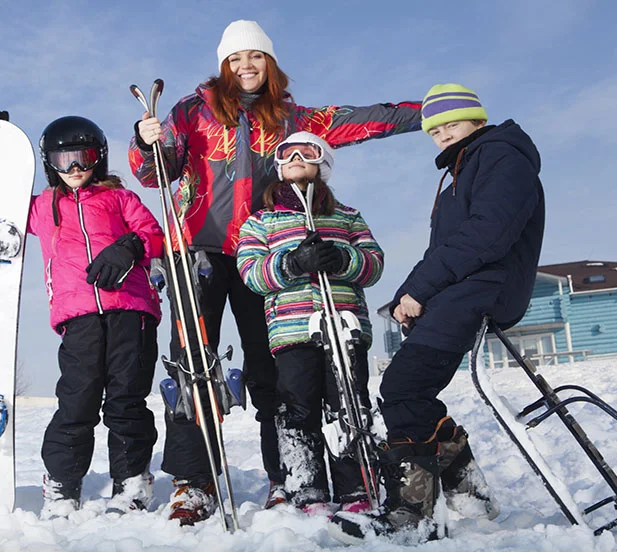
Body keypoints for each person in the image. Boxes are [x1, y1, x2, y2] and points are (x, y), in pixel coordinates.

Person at [129, 19, 423, 525]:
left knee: (272, 367)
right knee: (190, 368)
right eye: (237, 59)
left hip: (263, 251)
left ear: (270, 63)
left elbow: (363, 118)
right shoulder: (189, 111)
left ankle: (284, 474)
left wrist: (429, 113)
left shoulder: (291, 118)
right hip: (195, 252)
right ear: (224, 65)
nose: (246, 66)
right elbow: (153, 170)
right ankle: (192, 481)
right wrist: (144, 138)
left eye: (256, 57)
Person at [329, 84, 546, 542]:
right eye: (434, 129)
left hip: (485, 288)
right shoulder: (465, 165)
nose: (443, 134)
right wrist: (412, 293)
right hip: (464, 290)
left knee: (403, 386)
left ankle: (411, 515)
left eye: (452, 124)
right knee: (413, 390)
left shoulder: (502, 157)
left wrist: (423, 290)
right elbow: (445, 247)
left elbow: (487, 236)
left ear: (478, 120)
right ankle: (466, 487)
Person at [0, 112, 166, 520]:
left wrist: (128, 246)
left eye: (83, 157)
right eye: (64, 161)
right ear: (49, 165)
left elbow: (154, 234)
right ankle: (62, 483)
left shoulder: (119, 198)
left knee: (126, 400)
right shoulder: (43, 207)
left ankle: (131, 481)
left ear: (99, 158)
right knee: (76, 401)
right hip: (77, 317)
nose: (75, 168)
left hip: (131, 310)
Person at [236, 132, 383, 515]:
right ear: (278, 167)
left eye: (308, 152)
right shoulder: (261, 221)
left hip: (343, 325)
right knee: (297, 406)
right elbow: (251, 273)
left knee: (347, 405)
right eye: (287, 153)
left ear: (324, 164)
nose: (297, 158)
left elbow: (373, 263)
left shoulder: (346, 216)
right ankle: (307, 488)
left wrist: (343, 260)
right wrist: (292, 263)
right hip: (292, 329)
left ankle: (356, 488)